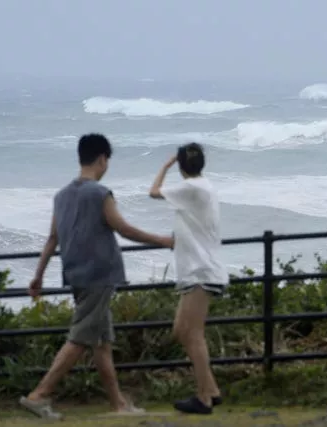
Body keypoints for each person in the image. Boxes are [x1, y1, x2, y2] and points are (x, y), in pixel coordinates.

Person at [19, 133, 174, 420]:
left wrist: (38, 276)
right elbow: (123, 229)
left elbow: (52, 239)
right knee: (80, 338)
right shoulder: (99, 193)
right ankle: (39, 395)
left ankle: (118, 404)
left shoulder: (61, 195)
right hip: (99, 274)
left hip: (75, 274)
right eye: (107, 161)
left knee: (102, 342)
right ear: (102, 159)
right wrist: (164, 240)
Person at [149, 142, 228, 415]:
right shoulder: (203, 187)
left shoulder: (192, 188)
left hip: (201, 270)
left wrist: (164, 166)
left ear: (182, 165)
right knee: (182, 331)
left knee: (192, 334)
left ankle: (204, 398)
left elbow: (153, 192)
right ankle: (212, 390)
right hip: (199, 268)